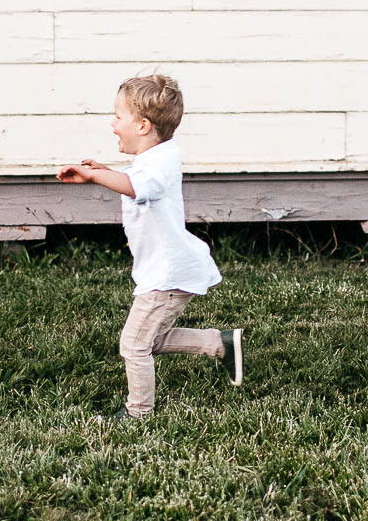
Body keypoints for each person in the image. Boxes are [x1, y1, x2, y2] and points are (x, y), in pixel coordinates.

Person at [56, 73, 243, 422]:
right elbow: (133, 179)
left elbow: (137, 186)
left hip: (167, 275)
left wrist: (97, 176)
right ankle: (220, 343)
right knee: (151, 340)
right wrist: (104, 170)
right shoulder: (155, 157)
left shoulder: (161, 162)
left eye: (118, 116)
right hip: (163, 271)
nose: (112, 124)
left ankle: (138, 413)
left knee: (133, 345)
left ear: (142, 125)